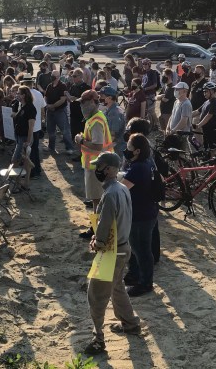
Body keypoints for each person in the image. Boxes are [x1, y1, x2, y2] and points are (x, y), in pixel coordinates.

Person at [83, 152, 141, 356]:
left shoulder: (109, 194)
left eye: (100, 166)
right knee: (117, 288)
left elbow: (106, 222)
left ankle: (98, 339)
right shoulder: (122, 188)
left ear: (108, 169)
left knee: (96, 295)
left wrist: (97, 242)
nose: (97, 170)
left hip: (111, 251)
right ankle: (131, 324)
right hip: (123, 247)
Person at [120, 134, 159, 297]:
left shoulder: (138, 168)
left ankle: (145, 283)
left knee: (141, 249)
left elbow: (123, 188)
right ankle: (135, 275)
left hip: (140, 215)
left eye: (129, 147)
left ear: (136, 151)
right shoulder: (148, 162)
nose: (126, 149)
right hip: (148, 211)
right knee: (138, 247)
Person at [76, 90, 111, 215]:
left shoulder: (96, 121)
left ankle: (96, 228)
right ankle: (97, 226)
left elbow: (97, 146)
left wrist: (81, 141)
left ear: (91, 102)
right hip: (98, 164)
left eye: (83, 103)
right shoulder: (96, 117)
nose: (81, 106)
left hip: (97, 166)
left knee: (97, 200)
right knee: (97, 199)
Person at [10, 86, 36, 192]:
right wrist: (15, 115)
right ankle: (26, 184)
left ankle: (17, 184)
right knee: (25, 162)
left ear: (24, 95)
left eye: (19, 93)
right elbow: (20, 117)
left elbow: (31, 127)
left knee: (14, 161)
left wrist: (28, 141)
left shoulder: (30, 108)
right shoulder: (22, 106)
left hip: (24, 138)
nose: (17, 95)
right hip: (20, 137)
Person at [45, 75, 74, 155]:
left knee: (65, 130)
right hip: (50, 111)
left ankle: (69, 148)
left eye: (54, 76)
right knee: (50, 130)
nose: (52, 77)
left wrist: (53, 106)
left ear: (58, 77)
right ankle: (51, 147)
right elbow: (46, 96)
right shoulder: (49, 85)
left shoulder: (63, 86)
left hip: (60, 111)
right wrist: (47, 105)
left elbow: (63, 99)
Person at [100, 86, 126, 157]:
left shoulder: (114, 113)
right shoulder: (109, 110)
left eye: (102, 96)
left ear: (110, 98)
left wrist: (103, 149)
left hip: (116, 150)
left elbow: (112, 135)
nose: (100, 98)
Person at [194, 82, 216, 150]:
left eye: (206, 91)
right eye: (204, 92)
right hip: (205, 129)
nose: (204, 93)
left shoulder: (214, 102)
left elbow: (209, 116)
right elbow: (197, 111)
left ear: (212, 91)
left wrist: (199, 125)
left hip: (212, 130)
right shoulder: (206, 102)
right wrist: (186, 115)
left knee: (212, 150)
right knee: (206, 148)